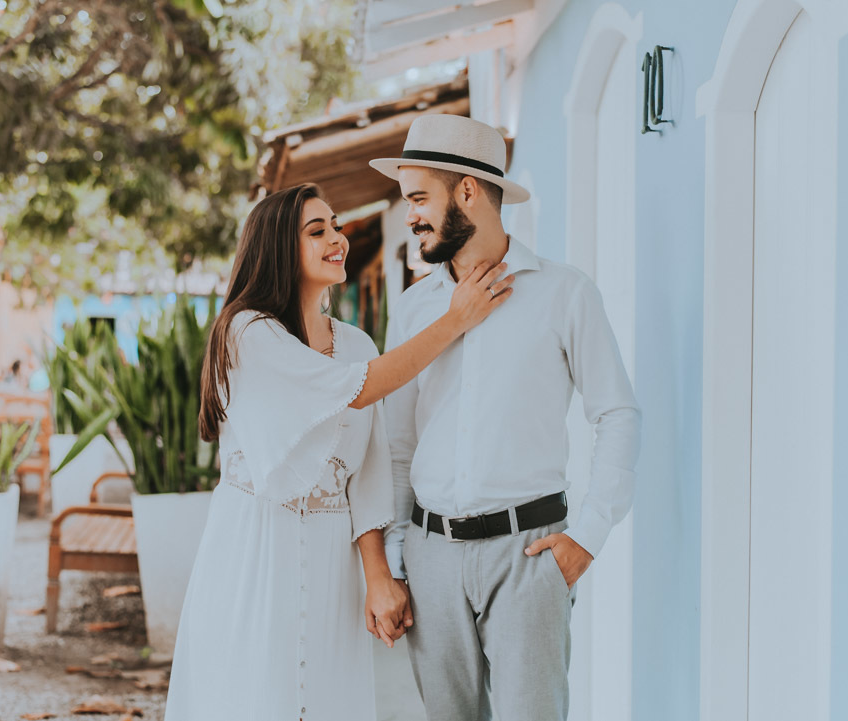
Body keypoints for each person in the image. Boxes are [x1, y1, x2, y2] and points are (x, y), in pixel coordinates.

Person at [163, 183, 513, 721]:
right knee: (253, 698)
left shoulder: (356, 346)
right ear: (279, 248)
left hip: (333, 559)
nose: (338, 239)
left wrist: (379, 576)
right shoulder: (246, 332)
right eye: (317, 230)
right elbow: (361, 388)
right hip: (257, 549)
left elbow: (367, 471)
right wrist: (456, 319)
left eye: (336, 226)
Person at [371, 114, 642, 720]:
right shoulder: (414, 309)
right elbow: (398, 443)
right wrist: (397, 556)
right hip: (431, 558)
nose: (410, 216)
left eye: (419, 198)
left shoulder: (565, 293)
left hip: (529, 556)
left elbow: (618, 413)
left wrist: (587, 538)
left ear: (467, 191)